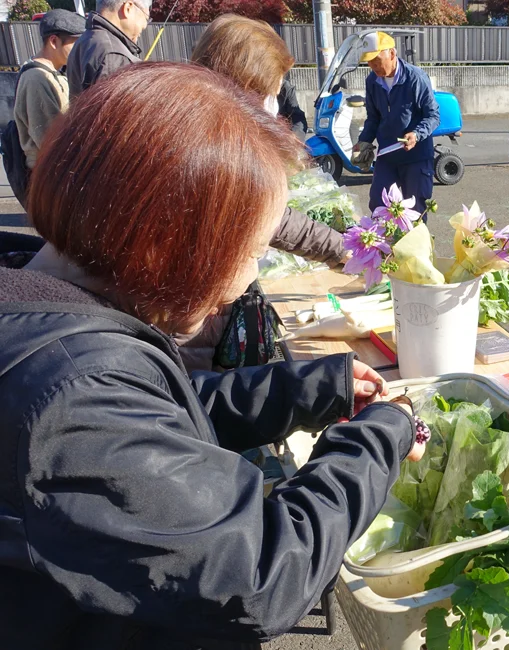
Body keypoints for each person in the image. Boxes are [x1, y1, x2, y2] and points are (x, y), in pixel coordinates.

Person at [0, 62, 425, 650]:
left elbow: (156, 415)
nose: (247, 278)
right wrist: (382, 435)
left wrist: (309, 389)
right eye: (250, 252)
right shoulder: (71, 398)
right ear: (168, 244)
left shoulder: (51, 321)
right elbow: (261, 572)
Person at [187, 13, 350, 371]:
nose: (274, 108)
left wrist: (343, 250)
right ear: (245, 86)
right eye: (272, 94)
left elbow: (271, 215)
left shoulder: (212, 133)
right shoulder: (206, 152)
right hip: (187, 333)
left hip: (200, 325)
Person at [354, 31, 440, 216]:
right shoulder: (372, 81)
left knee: (415, 213)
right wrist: (364, 141)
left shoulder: (415, 78)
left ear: (392, 53)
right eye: (369, 61)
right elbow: (373, 118)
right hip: (387, 155)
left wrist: (416, 134)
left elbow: (433, 115)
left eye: (376, 59)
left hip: (416, 156)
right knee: (379, 207)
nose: (373, 66)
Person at [14, 9, 85, 171]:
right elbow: (49, 139)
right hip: (47, 172)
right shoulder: (36, 78)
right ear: (54, 41)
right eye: (75, 44)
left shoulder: (56, 73)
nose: (80, 51)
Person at [66, 0, 147, 98]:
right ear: (128, 8)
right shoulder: (113, 56)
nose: (145, 25)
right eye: (146, 17)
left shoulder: (86, 39)